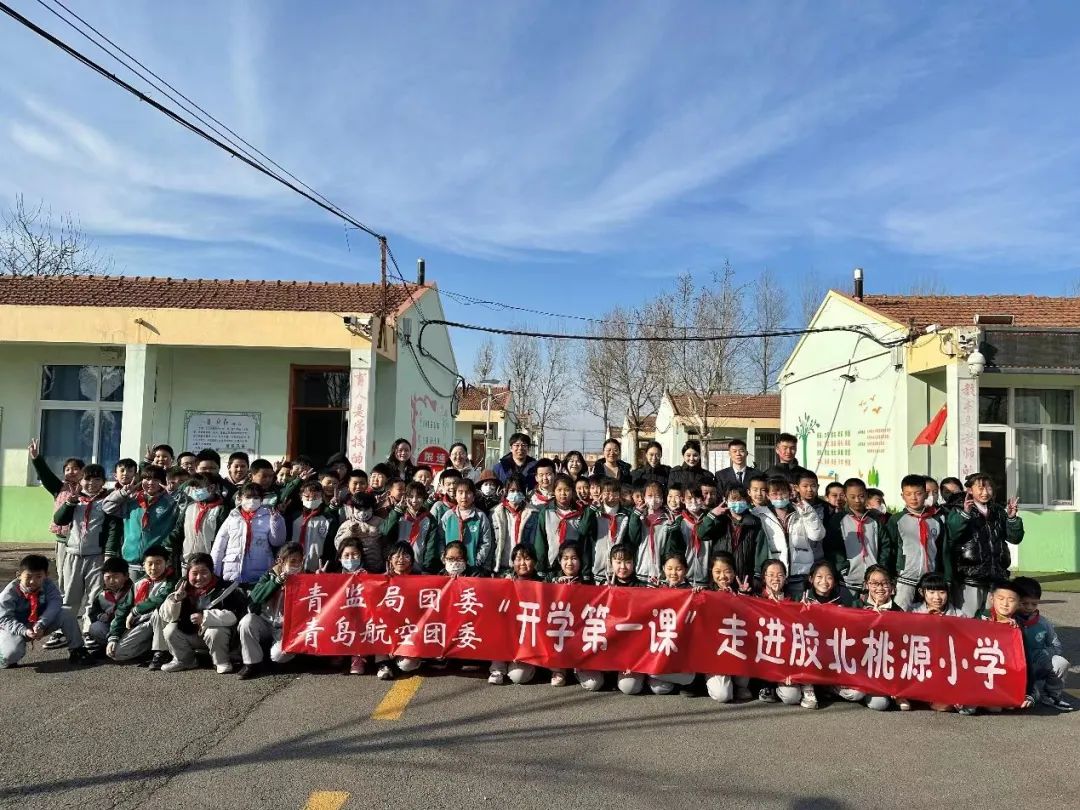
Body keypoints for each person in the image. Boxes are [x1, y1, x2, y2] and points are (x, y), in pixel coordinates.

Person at [945, 473, 1024, 617]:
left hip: (996, 577)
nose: (985, 493)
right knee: (967, 618)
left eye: (989, 488)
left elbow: (1015, 538)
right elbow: (952, 534)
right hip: (969, 577)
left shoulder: (998, 511)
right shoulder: (958, 509)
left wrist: (1012, 518)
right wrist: (965, 514)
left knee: (993, 617)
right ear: (970, 490)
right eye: (980, 488)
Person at [50, 463, 112, 644]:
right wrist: (70, 502)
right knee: (69, 596)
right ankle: (63, 630)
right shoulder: (75, 499)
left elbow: (112, 529)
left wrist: (108, 553)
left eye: (97, 479)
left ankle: (88, 631)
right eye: (87, 479)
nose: (92, 483)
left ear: (103, 482)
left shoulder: (107, 501)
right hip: (73, 554)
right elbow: (59, 519)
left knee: (94, 596)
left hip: (96, 556)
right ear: (81, 480)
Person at [0, 553, 94, 668]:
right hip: (14, 628)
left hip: (39, 624)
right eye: (28, 577)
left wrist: (41, 623)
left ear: (46, 575)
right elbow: (4, 619)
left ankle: (77, 650)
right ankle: (5, 650)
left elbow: (56, 603)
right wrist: (24, 631)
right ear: (19, 575)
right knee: (9, 656)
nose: (33, 581)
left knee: (66, 613)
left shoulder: (48, 585)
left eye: (38, 576)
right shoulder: (9, 593)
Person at [160, 552, 247, 674]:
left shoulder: (225, 589)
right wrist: (176, 599)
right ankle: (185, 660)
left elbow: (233, 617)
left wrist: (205, 617)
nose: (199, 578)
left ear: (212, 572)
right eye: (194, 573)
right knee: (170, 630)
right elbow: (166, 616)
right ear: (188, 573)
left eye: (204, 572)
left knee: (215, 631)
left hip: (221, 639)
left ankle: (222, 661)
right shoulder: (182, 587)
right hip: (192, 634)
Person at [237, 542, 303, 679]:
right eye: (292, 561)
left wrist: (319, 577)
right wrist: (277, 582)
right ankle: (251, 663)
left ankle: (275, 658)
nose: (296, 565)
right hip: (265, 621)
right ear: (280, 561)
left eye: (299, 561)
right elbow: (256, 596)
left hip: (286, 627)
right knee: (247, 622)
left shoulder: (305, 578)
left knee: (279, 655)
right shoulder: (269, 575)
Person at [753, 476, 825, 600]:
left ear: (789, 493)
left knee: (799, 608)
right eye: (774, 494)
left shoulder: (802, 511)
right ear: (768, 496)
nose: (779, 497)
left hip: (800, 575)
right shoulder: (760, 514)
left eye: (783, 493)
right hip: (776, 576)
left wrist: (806, 511)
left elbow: (817, 535)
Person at [881, 475, 947, 610]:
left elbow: (942, 551)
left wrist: (944, 576)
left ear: (926, 494)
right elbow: (890, 550)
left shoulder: (935, 520)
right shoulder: (897, 520)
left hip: (930, 581)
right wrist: (891, 576)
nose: (913, 498)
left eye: (918, 493)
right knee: (901, 613)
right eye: (908, 494)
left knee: (929, 615)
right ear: (902, 496)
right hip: (904, 580)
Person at [107, 545, 177, 669]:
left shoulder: (173, 582)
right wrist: (114, 637)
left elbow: (159, 599)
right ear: (143, 565)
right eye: (150, 564)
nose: (153, 567)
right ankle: (149, 648)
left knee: (159, 611)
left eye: (158, 563)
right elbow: (123, 609)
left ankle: (161, 652)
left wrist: (135, 611)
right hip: (142, 624)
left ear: (167, 563)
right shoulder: (139, 583)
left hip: (162, 622)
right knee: (118, 654)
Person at [103, 464, 178, 580]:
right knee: (133, 591)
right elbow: (107, 507)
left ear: (163, 482)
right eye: (147, 479)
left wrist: (176, 494)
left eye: (156, 480)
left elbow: (187, 508)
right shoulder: (131, 500)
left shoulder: (171, 502)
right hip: (131, 562)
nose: (150, 483)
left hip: (157, 563)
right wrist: (122, 493)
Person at [1012, 576, 1073, 711]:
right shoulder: (1007, 621)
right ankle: (1027, 691)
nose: (1029, 608)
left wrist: (1043, 654)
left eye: (1034, 604)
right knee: (1029, 699)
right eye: (1024, 603)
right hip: (1015, 669)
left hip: (1037, 665)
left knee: (1061, 663)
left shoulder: (1043, 623)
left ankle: (1051, 695)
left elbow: (1056, 646)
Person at [824, 477, 889, 600]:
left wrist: (881, 567)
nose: (857, 500)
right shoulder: (838, 520)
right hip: (848, 582)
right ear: (845, 496)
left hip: (874, 582)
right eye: (852, 497)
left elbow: (885, 545)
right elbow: (832, 548)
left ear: (866, 495)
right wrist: (843, 568)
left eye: (861, 496)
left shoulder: (875, 519)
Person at [211, 483, 287, 588]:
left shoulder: (270, 516)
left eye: (256, 498)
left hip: (260, 570)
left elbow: (277, 542)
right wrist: (214, 572)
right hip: (232, 571)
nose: (252, 501)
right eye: (248, 497)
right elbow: (219, 545)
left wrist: (276, 522)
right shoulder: (232, 517)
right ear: (240, 498)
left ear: (261, 499)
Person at [488, 544, 542, 686]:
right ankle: (497, 669)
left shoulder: (543, 584)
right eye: (518, 559)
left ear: (535, 561)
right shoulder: (504, 580)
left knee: (519, 677)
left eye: (527, 559)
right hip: (507, 636)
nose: (522, 563)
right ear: (513, 562)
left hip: (527, 640)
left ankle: (531, 666)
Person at [857, 565, 904, 711]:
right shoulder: (855, 607)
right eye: (874, 583)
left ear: (892, 586)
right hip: (859, 667)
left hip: (884, 670)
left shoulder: (899, 612)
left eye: (884, 583)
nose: (880, 588)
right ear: (866, 585)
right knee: (854, 693)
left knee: (879, 704)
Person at [534, 474, 597, 573]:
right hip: (552, 565)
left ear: (573, 491)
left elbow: (585, 542)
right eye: (559, 490)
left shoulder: (580, 512)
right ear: (554, 491)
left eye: (567, 490)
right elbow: (540, 541)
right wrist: (540, 567)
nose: (563, 493)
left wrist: (585, 571)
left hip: (573, 566)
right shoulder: (546, 512)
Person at [700, 486, 762, 584]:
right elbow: (702, 534)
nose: (737, 502)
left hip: (744, 577)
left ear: (746, 501)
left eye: (740, 499)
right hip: (721, 577)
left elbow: (760, 551)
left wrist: (757, 575)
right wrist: (711, 515)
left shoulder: (754, 522)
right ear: (725, 500)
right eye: (733, 499)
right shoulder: (719, 520)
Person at [170, 474, 230, 575]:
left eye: (198, 488)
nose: (194, 491)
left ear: (211, 488)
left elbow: (223, 539)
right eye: (192, 488)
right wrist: (167, 544)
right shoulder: (190, 506)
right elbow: (179, 530)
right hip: (186, 561)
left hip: (208, 564)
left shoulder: (221, 510)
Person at [591, 479, 642, 584]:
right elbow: (583, 531)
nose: (611, 497)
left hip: (619, 571)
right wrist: (591, 510)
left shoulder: (627, 515)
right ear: (601, 494)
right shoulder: (594, 513)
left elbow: (633, 540)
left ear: (620, 494)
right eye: (607, 493)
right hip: (597, 569)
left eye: (615, 493)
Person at [381, 481, 439, 572]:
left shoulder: (429, 519)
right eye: (411, 497)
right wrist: (396, 512)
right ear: (405, 497)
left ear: (424, 498)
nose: (414, 500)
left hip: (419, 567)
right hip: (397, 566)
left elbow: (431, 547)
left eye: (418, 497)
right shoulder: (398, 515)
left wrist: (427, 568)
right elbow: (385, 532)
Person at [439, 479, 495, 573]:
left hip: (473, 568)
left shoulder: (480, 517)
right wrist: (444, 558)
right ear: (455, 495)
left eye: (468, 493)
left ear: (474, 496)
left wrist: (477, 561)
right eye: (460, 492)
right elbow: (440, 540)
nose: (464, 496)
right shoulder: (448, 516)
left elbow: (486, 542)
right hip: (450, 566)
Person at [635, 481, 683, 585]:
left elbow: (670, 548)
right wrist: (636, 516)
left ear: (662, 498)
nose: (653, 499)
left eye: (657, 496)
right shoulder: (638, 517)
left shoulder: (668, 519)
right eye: (650, 496)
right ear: (644, 497)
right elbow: (633, 538)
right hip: (640, 571)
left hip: (659, 574)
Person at [490, 474, 537, 576]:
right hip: (501, 567)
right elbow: (491, 542)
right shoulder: (495, 513)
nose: (515, 493)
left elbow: (534, 542)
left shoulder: (533, 513)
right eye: (512, 490)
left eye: (519, 490)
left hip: (522, 568)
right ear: (506, 491)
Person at [84, 556, 131, 654]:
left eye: (116, 577)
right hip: (110, 628)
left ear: (126, 576)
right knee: (95, 627)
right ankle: (106, 647)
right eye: (108, 577)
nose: (111, 581)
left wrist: (112, 616)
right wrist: (100, 616)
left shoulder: (133, 591)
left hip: (128, 627)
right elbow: (93, 613)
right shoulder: (101, 595)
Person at [332, 492, 386, 574]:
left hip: (376, 568)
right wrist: (350, 532)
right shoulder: (347, 524)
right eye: (359, 509)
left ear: (372, 508)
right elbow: (338, 545)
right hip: (352, 570)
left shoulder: (380, 523)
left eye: (366, 509)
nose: (362, 513)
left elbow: (388, 544)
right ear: (353, 508)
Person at [290, 480, 336, 572]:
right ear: (301, 497)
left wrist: (327, 566)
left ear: (322, 497)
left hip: (318, 568)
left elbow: (331, 547)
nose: (311, 499)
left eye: (315, 496)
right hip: (294, 567)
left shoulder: (329, 519)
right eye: (307, 496)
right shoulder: (294, 517)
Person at [678, 485, 713, 587]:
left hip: (705, 578)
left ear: (703, 499)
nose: (693, 501)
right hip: (684, 579)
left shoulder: (710, 520)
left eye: (697, 498)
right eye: (689, 498)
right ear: (683, 500)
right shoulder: (679, 521)